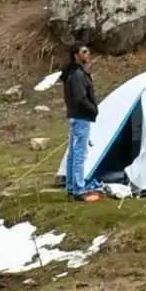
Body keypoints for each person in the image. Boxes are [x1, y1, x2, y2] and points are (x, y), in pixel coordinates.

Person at [59, 45, 103, 202]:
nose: (88, 54)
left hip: (75, 116)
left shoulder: (72, 73)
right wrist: (93, 109)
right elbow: (80, 98)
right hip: (81, 117)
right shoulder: (77, 74)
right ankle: (78, 188)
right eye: (84, 52)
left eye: (88, 51)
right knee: (79, 153)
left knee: (73, 153)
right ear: (76, 55)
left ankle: (72, 187)